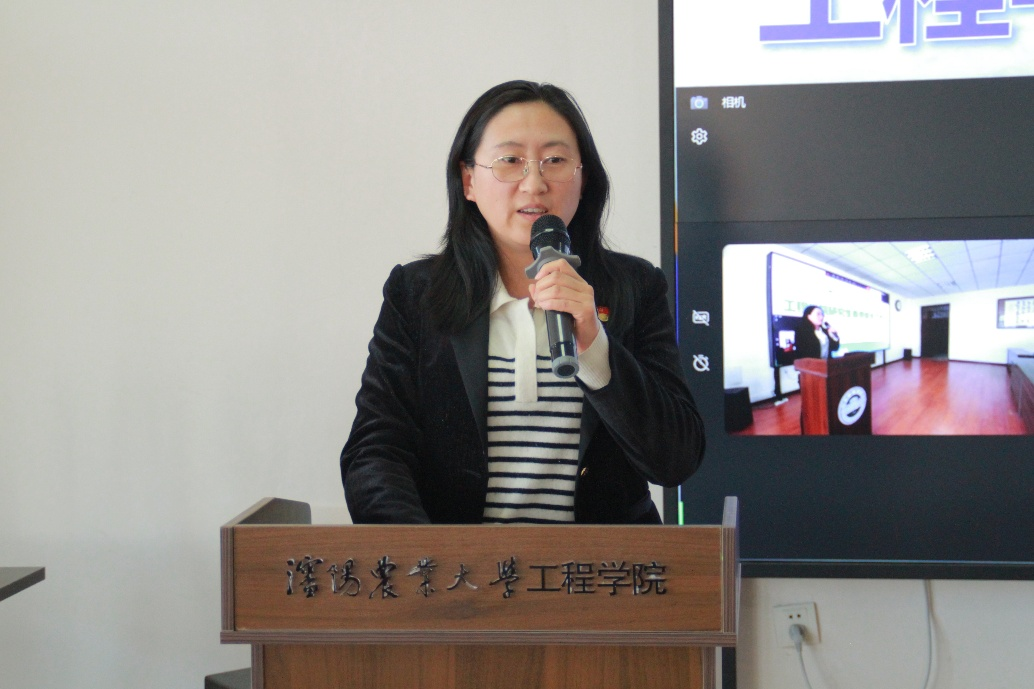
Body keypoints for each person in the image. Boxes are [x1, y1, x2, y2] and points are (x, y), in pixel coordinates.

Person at [340, 80, 705, 525]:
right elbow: (375, 452)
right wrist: (426, 559)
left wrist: (595, 347)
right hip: (458, 567)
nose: (534, 184)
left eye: (555, 161)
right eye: (510, 161)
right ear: (469, 181)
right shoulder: (416, 294)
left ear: (584, 179)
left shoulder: (635, 287)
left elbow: (675, 460)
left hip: (602, 565)